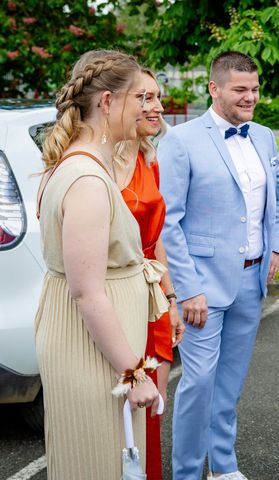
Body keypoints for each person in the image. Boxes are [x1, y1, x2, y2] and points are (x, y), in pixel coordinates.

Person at [159, 51, 279, 480]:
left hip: (252, 282)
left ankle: (223, 466)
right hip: (204, 287)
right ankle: (184, 473)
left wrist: (277, 249)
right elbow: (169, 221)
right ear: (214, 89)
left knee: (230, 383)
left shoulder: (265, 137)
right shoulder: (181, 141)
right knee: (199, 383)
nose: (250, 97)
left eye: (254, 89)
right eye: (240, 89)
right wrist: (187, 288)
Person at [35, 49, 166, 479]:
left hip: (94, 346)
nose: (146, 110)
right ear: (107, 102)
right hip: (91, 353)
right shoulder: (88, 179)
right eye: (137, 100)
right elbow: (88, 291)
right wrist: (133, 372)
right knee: (97, 463)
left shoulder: (78, 164)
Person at [113, 68, 186, 480]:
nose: (157, 107)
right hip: (114, 297)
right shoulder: (92, 164)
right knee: (114, 415)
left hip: (151, 297)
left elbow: (155, 238)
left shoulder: (147, 157)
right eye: (146, 98)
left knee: (150, 417)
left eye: (157, 97)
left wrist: (171, 298)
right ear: (115, 101)